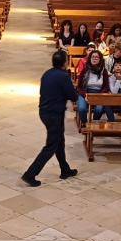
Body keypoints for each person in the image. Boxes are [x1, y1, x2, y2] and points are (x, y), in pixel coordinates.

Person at [21, 49, 78, 187]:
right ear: (65, 62)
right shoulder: (64, 76)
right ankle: (30, 174)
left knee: (59, 141)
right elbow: (73, 96)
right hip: (55, 115)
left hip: (44, 112)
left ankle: (65, 169)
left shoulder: (46, 74)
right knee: (51, 145)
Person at [77, 49, 110, 124]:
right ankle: (84, 123)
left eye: (97, 57)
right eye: (93, 57)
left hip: (99, 93)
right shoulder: (85, 70)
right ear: (90, 58)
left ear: (100, 59)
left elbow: (106, 87)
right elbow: (79, 87)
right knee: (82, 109)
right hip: (85, 92)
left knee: (99, 109)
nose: (94, 58)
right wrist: (84, 95)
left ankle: (93, 123)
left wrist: (99, 95)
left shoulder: (103, 71)